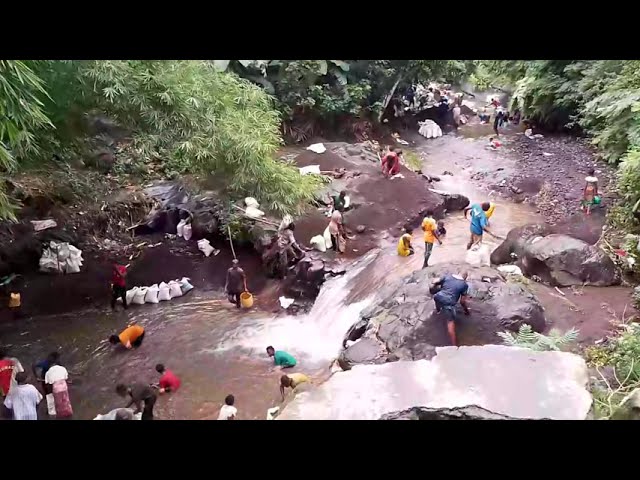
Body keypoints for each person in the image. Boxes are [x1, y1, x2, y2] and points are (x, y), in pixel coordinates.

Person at [431, 271, 470, 346]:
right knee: (450, 322)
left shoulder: (447, 276)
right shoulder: (464, 285)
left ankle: (438, 310)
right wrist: (466, 311)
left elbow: (435, 281)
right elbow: (462, 302)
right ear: (465, 278)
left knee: (438, 299)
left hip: (437, 296)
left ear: (458, 273)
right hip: (449, 302)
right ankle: (454, 345)